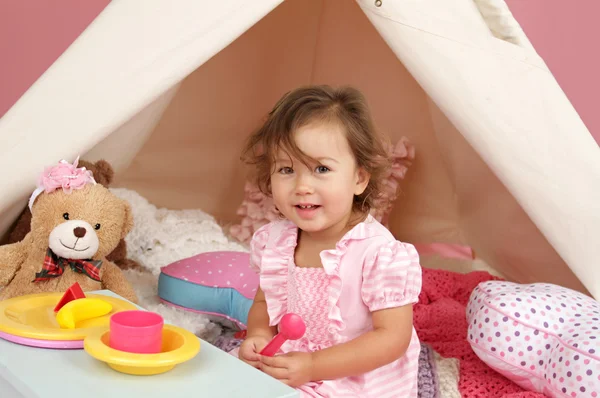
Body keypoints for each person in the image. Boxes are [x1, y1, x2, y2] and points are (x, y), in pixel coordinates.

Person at [234, 85, 422, 397]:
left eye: (321, 169)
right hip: (294, 362)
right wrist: (258, 334)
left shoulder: (378, 253)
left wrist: (313, 366)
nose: (303, 186)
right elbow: (265, 302)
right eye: (286, 169)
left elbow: (392, 338)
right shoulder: (276, 241)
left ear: (359, 179)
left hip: (355, 376)